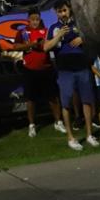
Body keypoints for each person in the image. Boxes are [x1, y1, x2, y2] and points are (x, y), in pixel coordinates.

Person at [44, 2, 99, 150]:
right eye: (60, 11)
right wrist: (59, 36)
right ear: (56, 13)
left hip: (82, 68)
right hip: (65, 71)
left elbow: (93, 39)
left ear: (70, 11)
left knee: (87, 101)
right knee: (66, 103)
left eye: (65, 10)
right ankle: (70, 137)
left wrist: (83, 39)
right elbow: (45, 47)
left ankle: (89, 135)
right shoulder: (53, 28)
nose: (63, 13)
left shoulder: (80, 24)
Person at [12, 8, 65, 137]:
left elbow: (52, 43)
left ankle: (58, 121)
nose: (35, 22)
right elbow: (16, 47)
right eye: (33, 19)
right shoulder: (22, 32)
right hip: (30, 70)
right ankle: (31, 125)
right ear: (28, 20)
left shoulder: (46, 31)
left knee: (53, 96)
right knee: (31, 99)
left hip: (46, 68)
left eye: (37, 19)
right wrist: (31, 44)